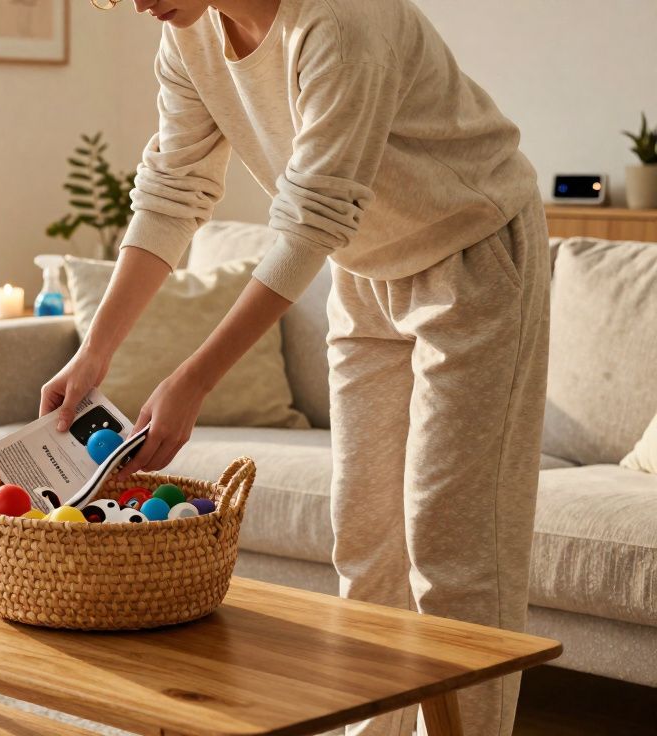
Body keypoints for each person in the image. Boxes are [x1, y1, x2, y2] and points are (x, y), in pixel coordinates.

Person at [40, 1, 549, 734]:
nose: (138, 4)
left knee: (455, 552)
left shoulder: (341, 21)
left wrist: (194, 380)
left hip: (471, 257)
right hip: (363, 273)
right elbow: (172, 189)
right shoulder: (188, 35)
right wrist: (95, 351)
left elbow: (312, 218)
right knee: (366, 542)